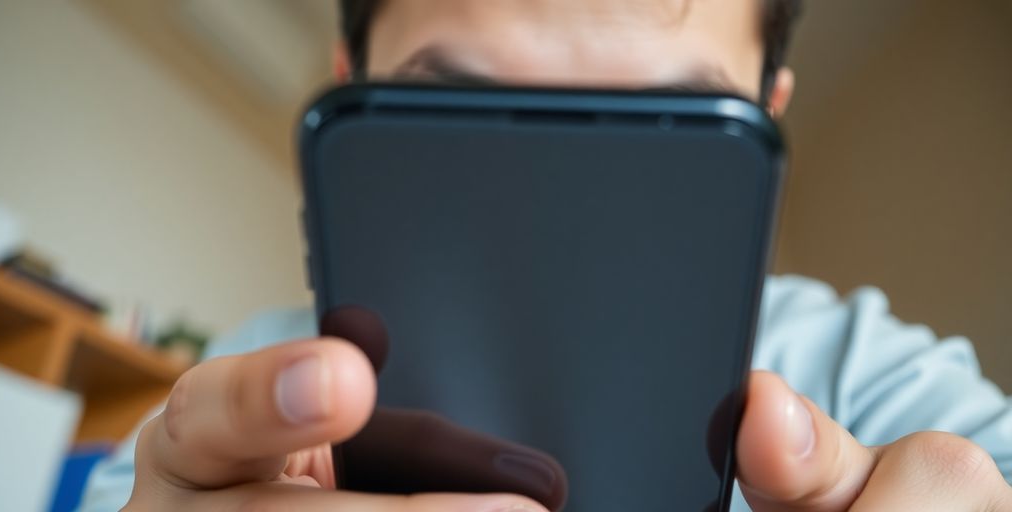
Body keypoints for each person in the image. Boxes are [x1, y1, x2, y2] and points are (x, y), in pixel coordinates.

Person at [82, 0, 1012, 510]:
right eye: (455, 113)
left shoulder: (863, 365)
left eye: (663, 127)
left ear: (767, 112)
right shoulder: (234, 404)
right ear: (351, 84)